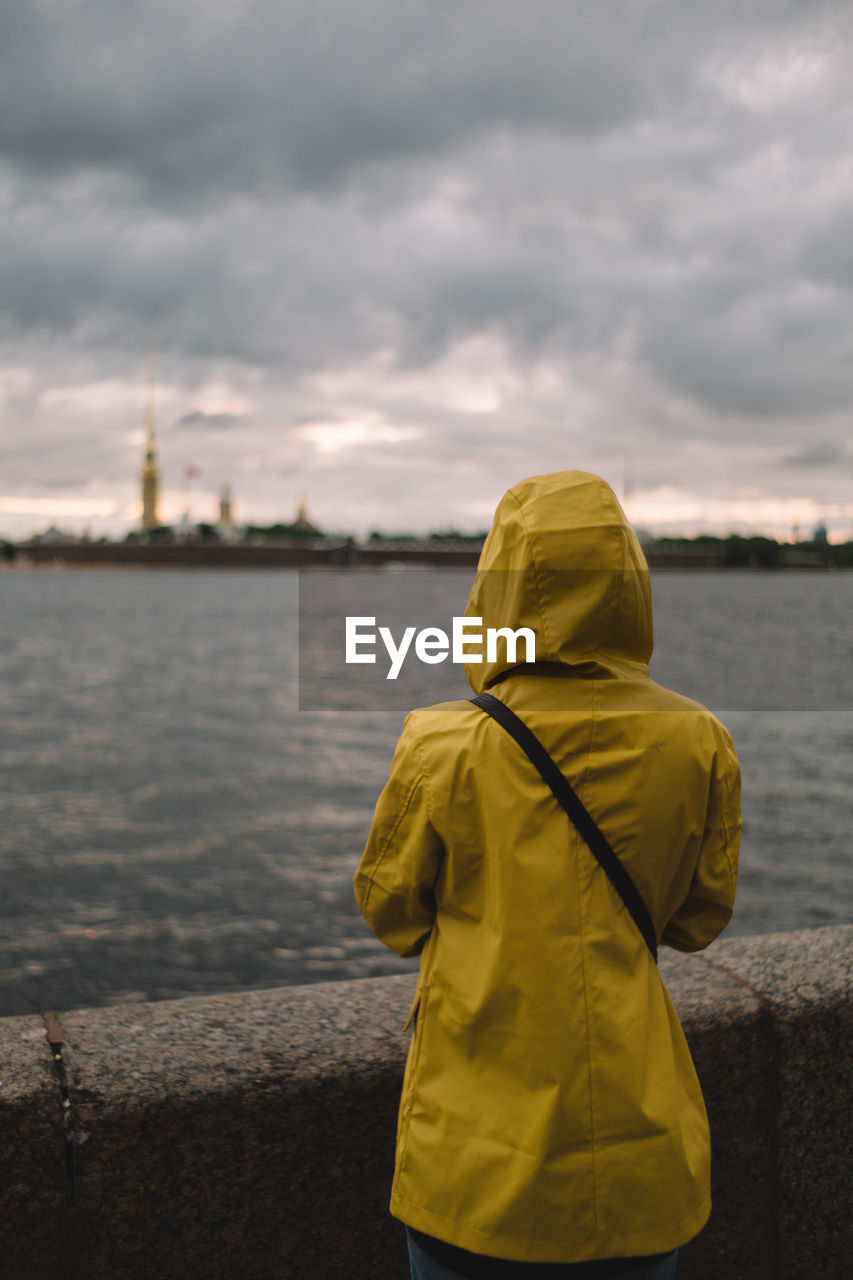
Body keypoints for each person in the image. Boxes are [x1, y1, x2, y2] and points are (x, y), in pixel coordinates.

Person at [354, 470, 741, 1279]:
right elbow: (698, 920)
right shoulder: (697, 739)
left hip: (473, 1165)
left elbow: (388, 910)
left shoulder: (442, 743)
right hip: (640, 1163)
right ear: (628, 587)